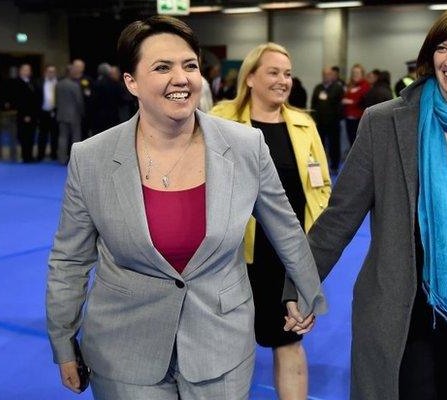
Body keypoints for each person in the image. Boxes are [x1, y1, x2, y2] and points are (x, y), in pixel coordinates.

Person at [46, 17, 326, 400]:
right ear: (131, 82)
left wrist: (306, 292)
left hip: (221, 345)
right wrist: (63, 340)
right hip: (125, 351)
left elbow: (287, 230)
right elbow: (69, 260)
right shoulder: (91, 158)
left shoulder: (245, 146)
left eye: (190, 65)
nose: (182, 78)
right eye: (162, 67)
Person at [286, 1, 447, 398]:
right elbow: (340, 218)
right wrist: (299, 285)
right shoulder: (386, 121)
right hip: (403, 305)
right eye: (443, 47)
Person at [211, 42, 331, 400]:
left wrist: (313, 252)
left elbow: (321, 186)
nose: (283, 81)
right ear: (250, 78)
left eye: (288, 74)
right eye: (274, 72)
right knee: (230, 351)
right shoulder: (220, 120)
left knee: (290, 343)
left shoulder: (304, 124)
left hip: (287, 259)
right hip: (232, 258)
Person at [311, 66, 345, 174]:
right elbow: (313, 103)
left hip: (333, 122)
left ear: (332, 75)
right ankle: (320, 166)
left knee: (334, 145)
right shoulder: (318, 88)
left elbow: (341, 104)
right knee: (319, 145)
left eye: (328, 74)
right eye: (324, 74)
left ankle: (334, 166)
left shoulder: (338, 88)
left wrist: (337, 117)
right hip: (320, 122)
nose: (326, 76)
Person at [55, 64, 85, 165]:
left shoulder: (58, 84)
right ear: (70, 72)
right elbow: (79, 101)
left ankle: (61, 159)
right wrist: (82, 113)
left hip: (61, 114)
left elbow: (56, 100)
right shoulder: (74, 85)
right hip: (74, 115)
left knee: (62, 137)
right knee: (76, 138)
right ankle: (74, 161)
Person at [11, 63, 39, 163]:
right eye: (25, 70)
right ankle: (25, 156)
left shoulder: (32, 82)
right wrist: (25, 114)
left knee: (31, 136)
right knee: (24, 136)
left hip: (33, 115)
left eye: (28, 70)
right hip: (24, 115)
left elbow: (35, 99)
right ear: (20, 71)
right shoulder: (16, 83)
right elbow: (19, 101)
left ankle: (30, 155)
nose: (27, 72)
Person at [342, 63, 370, 146]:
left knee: (358, 143)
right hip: (348, 117)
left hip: (359, 118)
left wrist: (350, 102)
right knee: (351, 141)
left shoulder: (365, 85)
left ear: (362, 74)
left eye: (357, 73)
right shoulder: (350, 85)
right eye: (353, 73)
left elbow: (363, 100)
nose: (355, 75)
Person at [36, 64, 59, 161]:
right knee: (42, 134)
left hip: (56, 112)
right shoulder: (39, 82)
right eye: (49, 71)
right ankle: (40, 154)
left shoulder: (59, 82)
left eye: (53, 71)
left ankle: (54, 154)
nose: (51, 73)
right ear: (45, 72)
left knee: (55, 134)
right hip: (43, 112)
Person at [92, 62, 122, 133]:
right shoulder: (115, 84)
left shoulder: (96, 83)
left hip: (99, 115)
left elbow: (93, 100)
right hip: (113, 114)